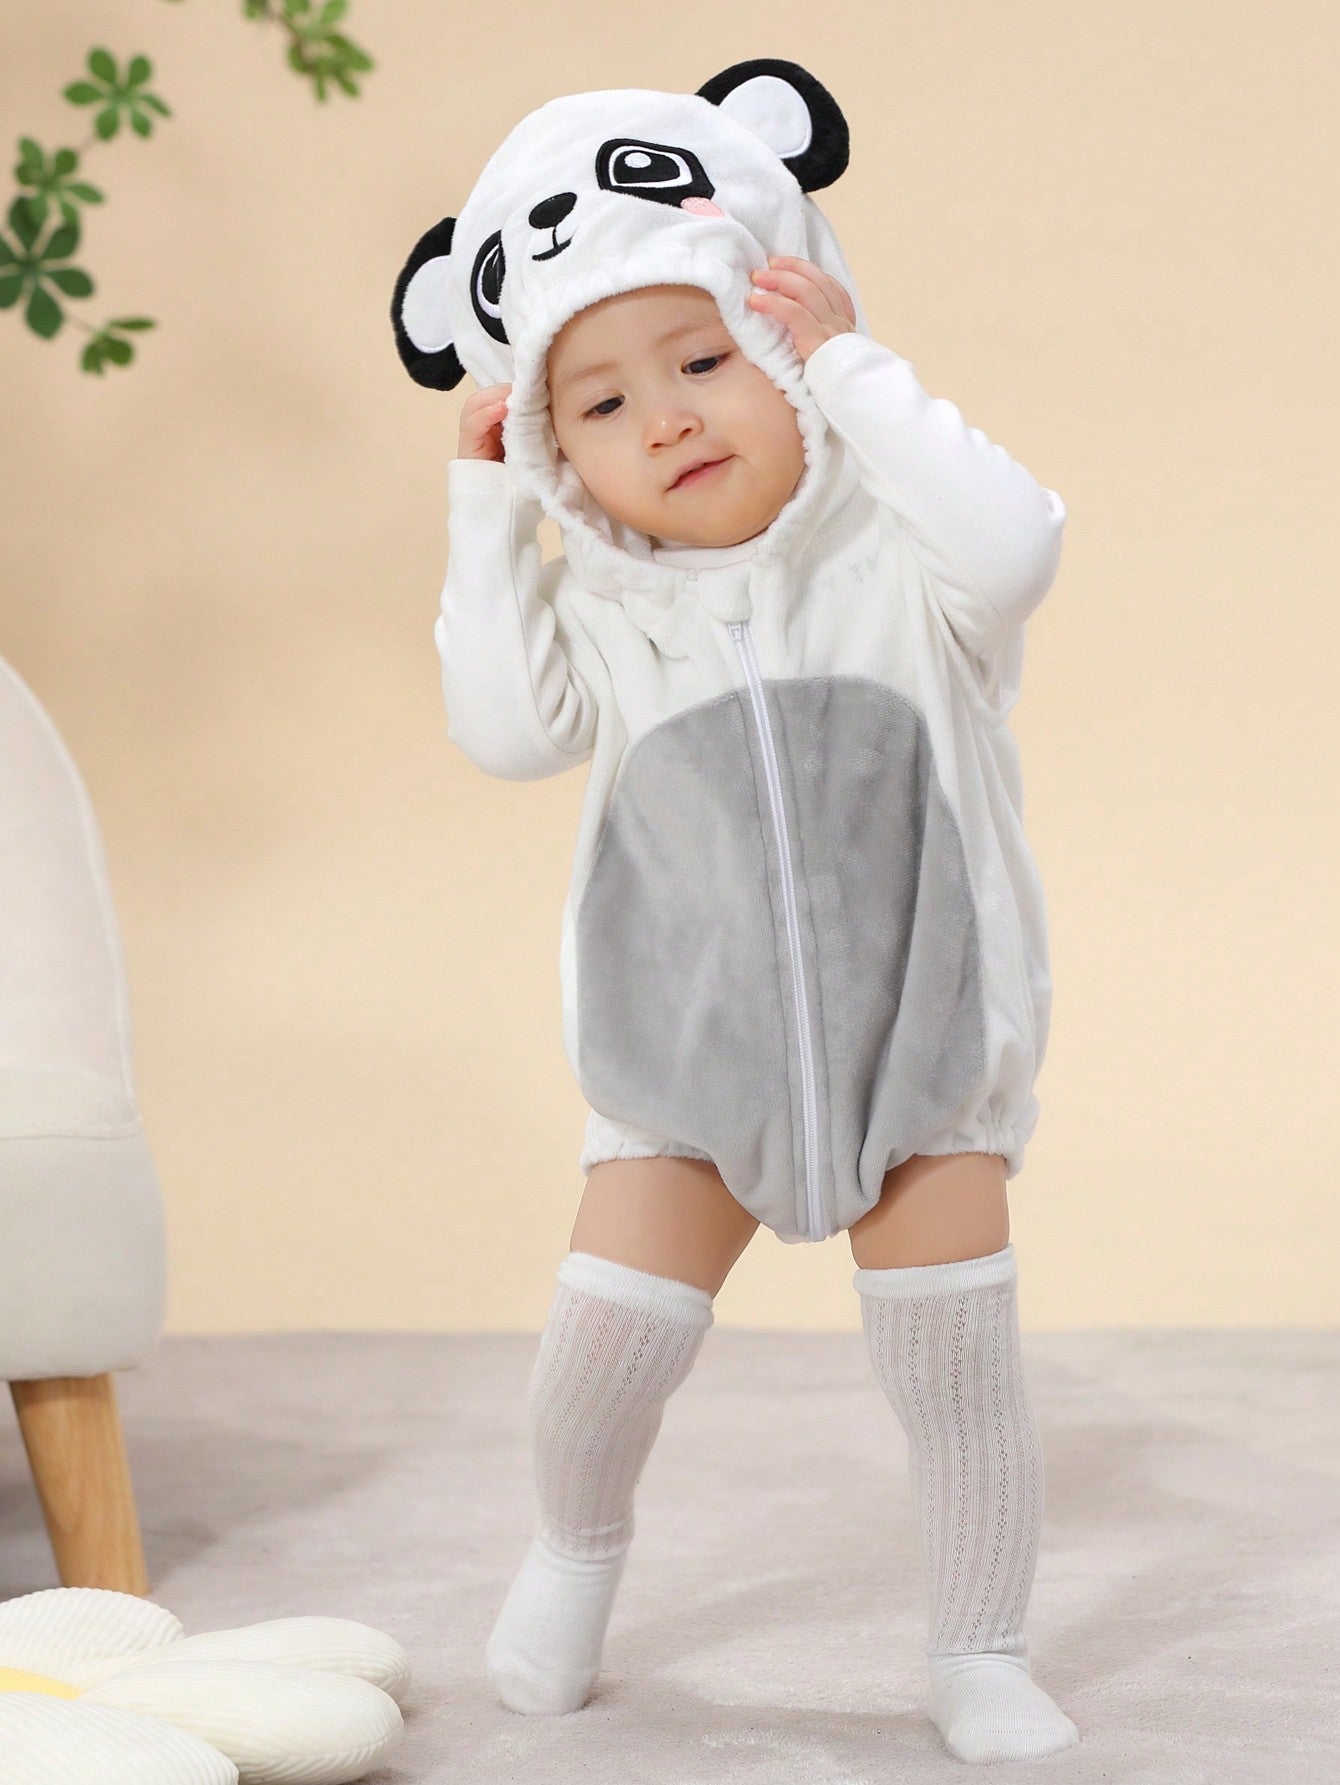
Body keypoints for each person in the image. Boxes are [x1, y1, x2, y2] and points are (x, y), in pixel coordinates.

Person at [390, 60, 1079, 1765]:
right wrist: (484, 509)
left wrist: (855, 366)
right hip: (683, 1068)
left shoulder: (906, 561)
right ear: (557, 452)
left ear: (782, 333)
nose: (670, 420)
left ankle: (980, 1647)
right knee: (601, 1356)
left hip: (924, 1047)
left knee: (956, 1371)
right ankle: (576, 1546)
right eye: (601, 404)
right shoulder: (609, 616)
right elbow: (505, 731)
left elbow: (1017, 546)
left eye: (705, 359)